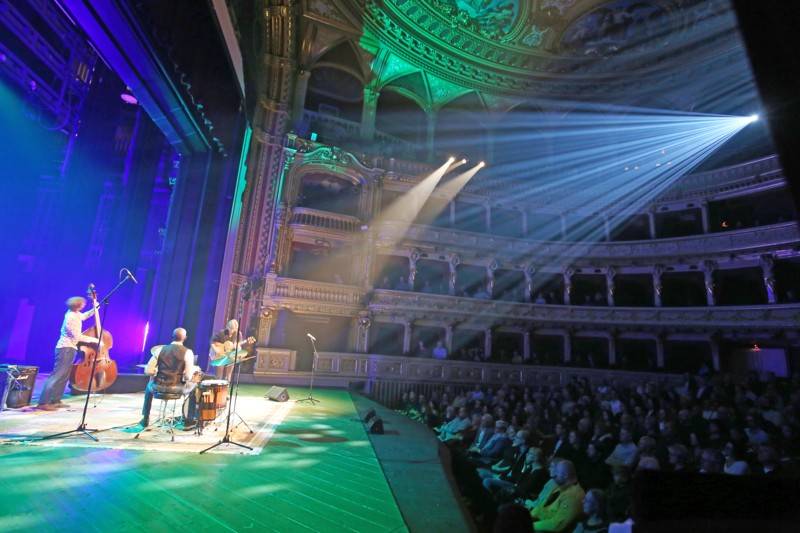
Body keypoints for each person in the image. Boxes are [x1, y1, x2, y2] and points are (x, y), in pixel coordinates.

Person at [37, 296, 99, 410]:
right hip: (65, 349)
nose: (84, 306)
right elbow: (77, 336)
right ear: (78, 306)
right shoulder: (71, 317)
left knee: (64, 376)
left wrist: (95, 306)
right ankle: (43, 403)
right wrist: (95, 340)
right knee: (57, 375)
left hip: (70, 348)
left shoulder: (75, 313)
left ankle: (55, 400)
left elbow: (85, 316)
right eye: (82, 304)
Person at [139, 328, 196, 428]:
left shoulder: (160, 350)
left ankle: (145, 418)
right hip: (176, 388)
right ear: (185, 338)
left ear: (172, 336)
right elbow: (188, 376)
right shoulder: (188, 353)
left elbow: (148, 370)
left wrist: (156, 372)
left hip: (158, 387)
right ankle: (189, 420)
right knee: (194, 387)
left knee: (149, 385)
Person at [529, 459, 585, 532]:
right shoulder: (561, 486)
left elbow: (557, 525)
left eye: (556, 472)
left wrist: (529, 525)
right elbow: (543, 508)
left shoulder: (574, 496)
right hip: (538, 524)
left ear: (565, 476)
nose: (553, 475)